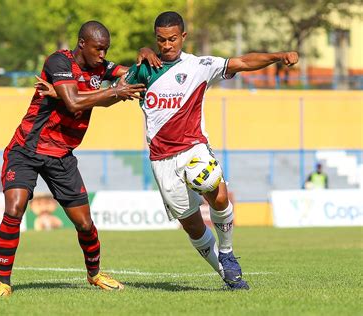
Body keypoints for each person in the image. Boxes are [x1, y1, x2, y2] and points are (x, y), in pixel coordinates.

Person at [124, 11, 298, 290]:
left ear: (183, 36)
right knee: (192, 226)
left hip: (194, 147)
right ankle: (225, 272)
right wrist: (139, 54)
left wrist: (278, 55)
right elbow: (116, 86)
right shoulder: (145, 67)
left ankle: (227, 253)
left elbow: (241, 62)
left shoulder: (200, 65)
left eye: (172, 39)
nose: (166, 45)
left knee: (218, 194)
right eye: (160, 40)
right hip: (161, 159)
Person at [0, 20, 150, 297]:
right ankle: (4, 282)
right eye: (99, 49)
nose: (103, 55)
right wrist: (113, 92)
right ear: (82, 44)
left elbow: (134, 74)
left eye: (106, 49)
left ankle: (95, 274)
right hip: (26, 149)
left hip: (62, 155)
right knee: (14, 209)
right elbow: (74, 101)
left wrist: (146, 52)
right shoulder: (58, 62)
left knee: (84, 224)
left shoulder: (102, 69)